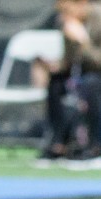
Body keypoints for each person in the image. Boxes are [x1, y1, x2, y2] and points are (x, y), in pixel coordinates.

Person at [38, 0, 101, 161]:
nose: (63, 16)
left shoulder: (98, 20)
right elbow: (69, 61)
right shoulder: (70, 24)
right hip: (83, 75)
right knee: (56, 83)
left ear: (81, 4)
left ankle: (96, 145)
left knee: (90, 84)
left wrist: (83, 42)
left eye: (66, 11)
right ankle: (59, 143)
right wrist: (54, 67)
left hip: (95, 75)